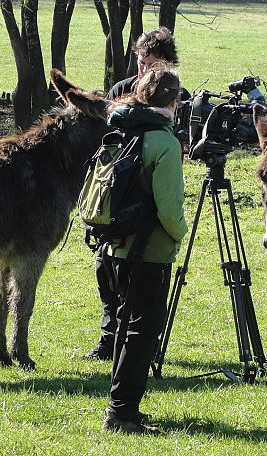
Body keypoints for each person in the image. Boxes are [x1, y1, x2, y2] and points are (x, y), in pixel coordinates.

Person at [86, 27, 183, 361]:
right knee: (106, 271)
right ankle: (109, 339)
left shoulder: (173, 95)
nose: (143, 70)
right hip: (116, 195)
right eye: (141, 62)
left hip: (147, 197)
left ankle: (138, 344)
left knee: (137, 281)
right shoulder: (120, 91)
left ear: (167, 65)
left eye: (151, 64)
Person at [101, 63, 188, 434]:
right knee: (143, 330)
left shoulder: (122, 129)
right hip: (149, 251)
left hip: (115, 246)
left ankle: (123, 408)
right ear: (172, 101)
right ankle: (120, 414)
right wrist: (181, 233)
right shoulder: (164, 142)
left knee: (125, 326)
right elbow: (169, 210)